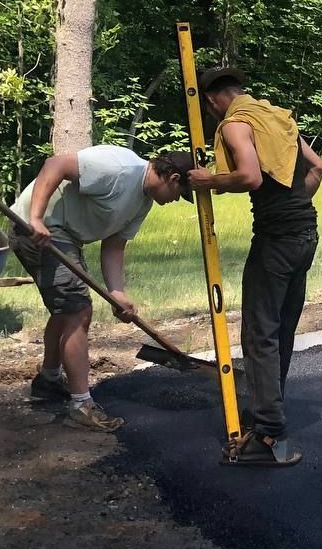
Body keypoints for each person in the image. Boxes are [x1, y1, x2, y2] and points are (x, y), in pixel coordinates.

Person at [188, 69, 322, 468]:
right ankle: (270, 415)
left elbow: (248, 176)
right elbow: (318, 168)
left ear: (213, 101)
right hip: (305, 235)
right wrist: (293, 205)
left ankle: (268, 434)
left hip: (277, 241)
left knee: (259, 333)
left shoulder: (236, 124)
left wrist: (208, 180)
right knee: (281, 329)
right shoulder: (276, 117)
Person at [10, 146, 194, 431]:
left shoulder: (142, 202)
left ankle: (48, 380)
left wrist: (117, 292)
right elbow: (55, 164)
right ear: (172, 177)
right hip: (37, 230)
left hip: (66, 236)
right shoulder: (119, 168)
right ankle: (81, 405)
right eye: (180, 194)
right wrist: (35, 218)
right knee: (78, 310)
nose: (175, 201)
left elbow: (114, 245)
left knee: (66, 308)